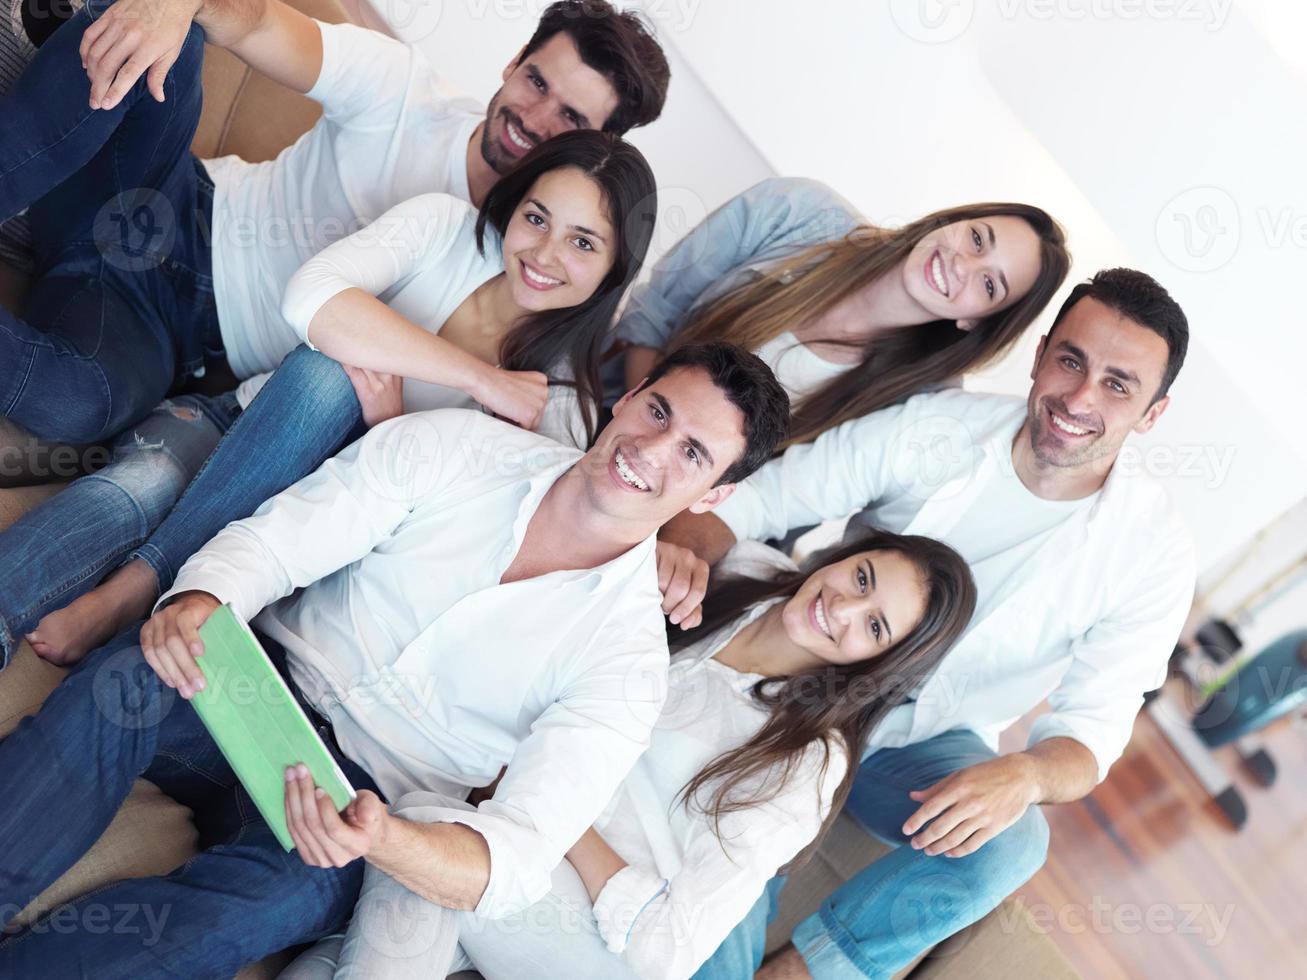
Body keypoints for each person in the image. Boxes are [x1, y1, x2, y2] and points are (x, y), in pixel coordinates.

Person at [0, 343, 792, 977]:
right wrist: (201, 600)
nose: (651, 449)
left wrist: (381, 841)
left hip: (358, 806)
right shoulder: (457, 447)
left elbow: (514, 858)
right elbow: (274, 542)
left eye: (692, 454)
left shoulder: (628, 666)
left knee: (266, 904)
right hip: (253, 684)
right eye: (656, 411)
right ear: (629, 395)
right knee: (129, 677)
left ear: (711, 497)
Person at [659, 269, 1198, 978]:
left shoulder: (1152, 553)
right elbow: (759, 500)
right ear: (1038, 356)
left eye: (1117, 385)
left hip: (917, 748)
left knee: (1016, 845)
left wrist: (1027, 774)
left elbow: (1090, 734)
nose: (1078, 398)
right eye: (1070, 361)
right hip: (808, 686)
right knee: (712, 924)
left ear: (1151, 413)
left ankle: (810, 967)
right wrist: (679, 559)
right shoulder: (934, 429)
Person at [2, 128, 657, 667]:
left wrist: (390, 428)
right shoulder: (444, 228)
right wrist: (480, 379)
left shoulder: (566, 412)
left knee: (335, 373)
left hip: (321, 527)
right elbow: (313, 299)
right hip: (240, 423)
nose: (543, 253)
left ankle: (139, 584)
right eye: (536, 218)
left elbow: (447, 541)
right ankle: (108, 595)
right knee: (139, 486)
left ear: (614, 266)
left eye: (582, 242)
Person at [281, 530, 977, 980]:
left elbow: (668, 950)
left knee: (427, 827)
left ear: (878, 663)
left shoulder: (806, 765)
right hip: (520, 883)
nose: (842, 609)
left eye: (874, 626)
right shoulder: (738, 574)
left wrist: (556, 814)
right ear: (843, 556)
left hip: (597, 948)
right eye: (860, 579)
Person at [611, 178, 1070, 447]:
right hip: (609, 407)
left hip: (680, 516)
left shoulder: (920, 402)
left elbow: (787, 494)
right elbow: (654, 316)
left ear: (975, 322)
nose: (962, 265)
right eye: (976, 239)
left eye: (989, 285)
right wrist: (638, 432)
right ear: (951, 220)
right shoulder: (796, 209)